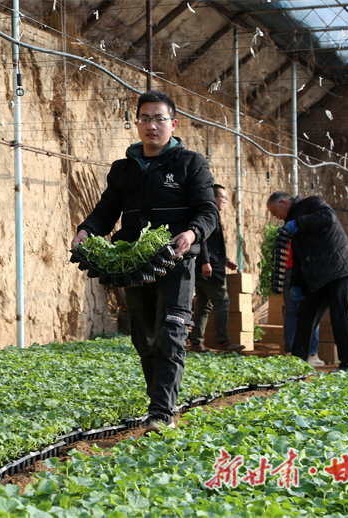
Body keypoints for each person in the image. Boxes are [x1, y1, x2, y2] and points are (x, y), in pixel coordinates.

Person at [71, 90, 218, 434]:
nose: (152, 125)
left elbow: (208, 211)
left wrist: (192, 234)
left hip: (175, 261)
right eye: (145, 119)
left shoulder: (190, 163)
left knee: (171, 331)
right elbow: (106, 210)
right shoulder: (124, 169)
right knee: (144, 335)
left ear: (173, 124)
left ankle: (161, 412)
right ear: (136, 124)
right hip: (133, 262)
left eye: (159, 119)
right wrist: (86, 231)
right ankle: (159, 402)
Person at [266, 191, 348, 372]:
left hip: (338, 268)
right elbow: (298, 257)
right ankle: (297, 364)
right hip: (318, 276)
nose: (276, 217)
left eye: (275, 212)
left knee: (340, 316)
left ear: (284, 202)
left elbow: (329, 217)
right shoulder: (290, 224)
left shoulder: (312, 203)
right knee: (305, 316)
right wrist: (296, 284)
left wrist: (299, 223)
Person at [187, 184, 245, 354]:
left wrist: (225, 260)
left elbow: (211, 244)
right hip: (208, 268)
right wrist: (206, 261)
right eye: (223, 197)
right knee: (222, 301)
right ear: (213, 198)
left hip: (205, 266)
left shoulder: (206, 212)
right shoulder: (208, 213)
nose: (225, 201)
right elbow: (202, 239)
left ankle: (197, 342)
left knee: (203, 305)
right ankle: (224, 341)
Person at [283, 242, 323, 366]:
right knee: (312, 311)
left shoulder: (287, 233)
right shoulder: (310, 232)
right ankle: (311, 354)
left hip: (287, 269)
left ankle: (290, 352)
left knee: (290, 312)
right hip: (306, 269)